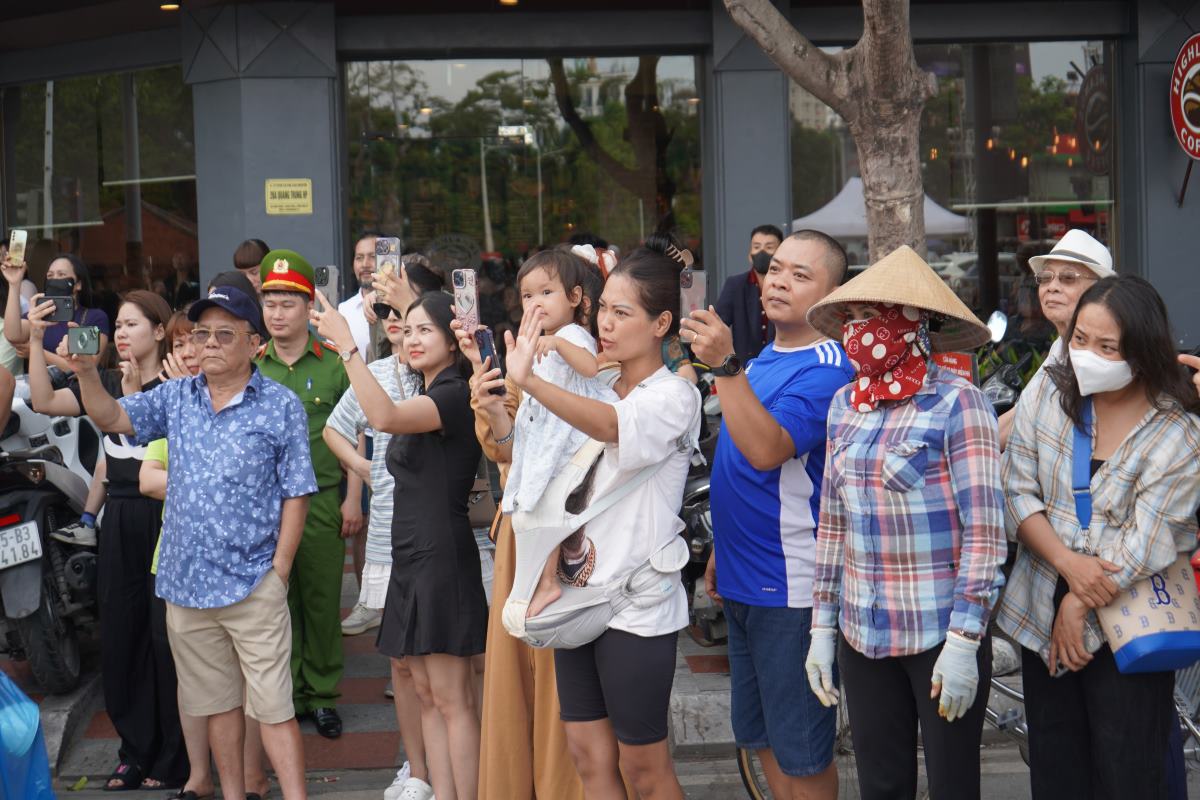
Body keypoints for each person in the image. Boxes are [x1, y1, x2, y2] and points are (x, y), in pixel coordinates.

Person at [72, 278, 316, 800]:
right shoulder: (177, 396)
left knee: (273, 709)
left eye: (223, 335)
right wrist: (89, 375)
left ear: (256, 344)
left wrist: (280, 571)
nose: (207, 344)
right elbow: (114, 417)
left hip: (255, 582)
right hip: (186, 583)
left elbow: (297, 492)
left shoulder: (280, 405)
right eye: (202, 333)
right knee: (218, 707)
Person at [501, 237, 702, 800]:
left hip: (635, 604)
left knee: (644, 770)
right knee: (588, 759)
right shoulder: (590, 382)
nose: (606, 323)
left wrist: (533, 381)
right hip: (575, 595)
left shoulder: (673, 396)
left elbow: (610, 426)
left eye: (623, 312)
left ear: (661, 322)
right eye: (604, 308)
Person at [804, 246, 1006, 800]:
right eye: (851, 319)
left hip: (938, 631)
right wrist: (822, 628)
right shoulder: (846, 403)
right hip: (861, 632)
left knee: (951, 784)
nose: (856, 331)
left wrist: (965, 640)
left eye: (868, 319)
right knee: (881, 782)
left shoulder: (958, 402)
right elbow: (833, 524)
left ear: (908, 321)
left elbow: (986, 533)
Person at [999, 275, 1200, 800]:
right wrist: (1067, 568)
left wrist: (1078, 606)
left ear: (1142, 350)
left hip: (1129, 627)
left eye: (1107, 347)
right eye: (1080, 339)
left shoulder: (1176, 432)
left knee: (1130, 772)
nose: (1086, 355)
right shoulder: (1047, 389)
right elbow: (1017, 489)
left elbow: (1147, 544)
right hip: (1042, 610)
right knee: (1057, 767)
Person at [682, 230, 852, 800]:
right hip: (744, 578)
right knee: (760, 738)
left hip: (793, 588)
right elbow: (741, 474)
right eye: (775, 269)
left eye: (801, 275)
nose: (779, 280)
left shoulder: (831, 366)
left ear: (833, 295)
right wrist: (722, 557)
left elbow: (766, 450)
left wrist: (725, 366)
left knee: (801, 752)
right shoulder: (761, 361)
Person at [310, 289, 486, 800]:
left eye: (425, 330)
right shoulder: (423, 389)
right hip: (408, 553)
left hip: (441, 555)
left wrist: (347, 349)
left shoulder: (454, 392)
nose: (411, 338)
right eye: (406, 330)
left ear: (453, 342)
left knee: (453, 700)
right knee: (427, 694)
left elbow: (382, 419)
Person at [26, 288, 187, 791]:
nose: (120, 332)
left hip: (166, 516)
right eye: (116, 324)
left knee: (169, 642)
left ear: (159, 332)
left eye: (132, 324)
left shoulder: (176, 385)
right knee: (122, 637)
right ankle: (133, 751)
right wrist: (34, 339)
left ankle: (175, 756)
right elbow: (44, 399)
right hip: (120, 517)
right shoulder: (106, 382)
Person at [323, 301, 433, 800]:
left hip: (453, 535)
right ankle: (417, 766)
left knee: (455, 662)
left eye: (407, 314)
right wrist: (363, 471)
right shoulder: (377, 372)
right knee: (403, 664)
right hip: (390, 530)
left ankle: (452, 758)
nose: (395, 322)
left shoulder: (449, 373)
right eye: (387, 312)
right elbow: (334, 428)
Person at [255, 249, 355, 740]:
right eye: (269, 303)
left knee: (319, 601)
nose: (277, 313)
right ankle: (286, 696)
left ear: (308, 306)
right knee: (273, 603)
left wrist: (352, 499)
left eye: (287, 303)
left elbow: (358, 437)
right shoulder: (252, 368)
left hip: (320, 501)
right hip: (263, 508)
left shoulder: (335, 365)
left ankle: (321, 696)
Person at [495, 249, 613, 619]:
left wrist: (559, 343)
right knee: (535, 507)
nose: (536, 303)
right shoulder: (539, 338)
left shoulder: (573, 333)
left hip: (568, 438)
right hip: (543, 437)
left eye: (546, 293)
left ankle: (547, 580)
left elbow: (590, 368)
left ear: (575, 298)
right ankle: (542, 578)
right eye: (528, 296)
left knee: (547, 506)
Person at [997, 229, 1114, 447]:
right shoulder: (1060, 347)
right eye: (1045, 277)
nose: (1051, 287)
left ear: (1100, 289)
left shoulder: (1111, 354)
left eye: (1068, 278)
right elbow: (1021, 415)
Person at [3, 252, 110, 373]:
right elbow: (13, 335)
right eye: (50, 275)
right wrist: (14, 284)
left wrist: (35, 350)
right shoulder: (39, 316)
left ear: (78, 284)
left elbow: (87, 367)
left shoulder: (94, 317)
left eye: (61, 274)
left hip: (76, 390)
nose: (55, 279)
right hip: (39, 388)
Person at [715, 224, 785, 362]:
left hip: (781, 364)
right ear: (750, 255)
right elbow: (717, 325)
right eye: (757, 247)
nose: (762, 252)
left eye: (769, 247)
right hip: (744, 368)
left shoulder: (787, 286)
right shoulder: (736, 285)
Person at [340, 232, 379, 358]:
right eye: (359, 258)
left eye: (372, 256)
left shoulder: (399, 306)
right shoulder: (343, 310)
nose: (365, 264)